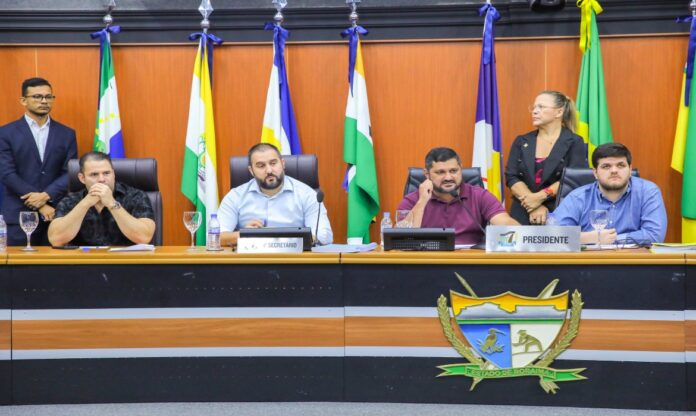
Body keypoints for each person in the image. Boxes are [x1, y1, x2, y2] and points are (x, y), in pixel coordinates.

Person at [0, 77, 78, 245]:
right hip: (18, 216)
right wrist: (40, 204)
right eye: (37, 96)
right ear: (23, 100)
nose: (44, 101)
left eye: (48, 97)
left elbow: (70, 172)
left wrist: (47, 195)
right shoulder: (5, 133)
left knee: (56, 262)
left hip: (56, 215)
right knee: (17, 262)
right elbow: (6, 174)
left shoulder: (66, 134)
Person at [549, 143, 667, 245]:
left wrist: (613, 239)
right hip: (588, 262)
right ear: (595, 173)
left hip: (632, 261)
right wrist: (591, 238)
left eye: (620, 165)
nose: (614, 170)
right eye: (606, 166)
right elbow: (551, 236)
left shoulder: (647, 192)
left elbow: (654, 234)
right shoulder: (578, 197)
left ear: (630, 169)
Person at [218, 143, 332, 246]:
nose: (269, 170)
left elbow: (324, 237)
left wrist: (285, 238)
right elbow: (215, 237)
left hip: (294, 258)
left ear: (282, 164)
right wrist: (245, 235)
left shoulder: (306, 194)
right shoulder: (235, 196)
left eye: (273, 163)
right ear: (251, 171)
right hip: (251, 259)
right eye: (261, 166)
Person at [398, 147, 518, 245]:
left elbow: (505, 222)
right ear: (427, 174)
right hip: (427, 261)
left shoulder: (480, 196)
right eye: (440, 172)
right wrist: (422, 201)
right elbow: (401, 239)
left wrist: (518, 233)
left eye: (453, 171)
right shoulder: (412, 200)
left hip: (471, 261)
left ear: (461, 169)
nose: (448, 177)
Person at [505, 91, 587, 225]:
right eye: (534, 107)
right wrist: (532, 204)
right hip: (523, 210)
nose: (534, 111)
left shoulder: (574, 141)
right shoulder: (521, 141)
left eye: (541, 107)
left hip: (559, 210)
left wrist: (539, 198)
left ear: (559, 112)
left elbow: (573, 179)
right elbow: (511, 177)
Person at [48, 152, 156, 246]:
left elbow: (144, 238)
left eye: (106, 173)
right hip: (83, 261)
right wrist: (85, 204)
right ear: (82, 178)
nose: (101, 179)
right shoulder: (70, 200)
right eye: (94, 174)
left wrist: (112, 203)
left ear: (113, 174)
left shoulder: (136, 196)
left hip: (125, 261)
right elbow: (56, 240)